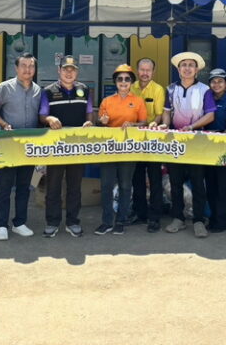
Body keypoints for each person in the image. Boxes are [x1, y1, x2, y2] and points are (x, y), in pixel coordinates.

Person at [39, 55, 94, 238]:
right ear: (59, 71)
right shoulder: (48, 91)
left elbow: (89, 112)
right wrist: (49, 118)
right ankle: (52, 222)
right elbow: (42, 115)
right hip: (56, 147)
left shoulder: (84, 89)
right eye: (65, 69)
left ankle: (73, 221)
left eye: (72, 70)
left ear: (77, 72)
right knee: (53, 186)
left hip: (77, 146)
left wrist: (89, 122)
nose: (69, 73)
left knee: (75, 186)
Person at [0, 52, 41, 241]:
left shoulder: (38, 91)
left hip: (28, 146)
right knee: (5, 186)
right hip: (8, 144)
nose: (28, 69)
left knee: (24, 186)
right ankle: (2, 224)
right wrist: (3, 124)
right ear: (16, 68)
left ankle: (19, 223)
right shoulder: (4, 88)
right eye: (23, 65)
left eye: (31, 66)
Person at [164, 51, 216, 238]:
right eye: (183, 65)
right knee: (175, 182)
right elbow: (167, 112)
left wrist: (192, 126)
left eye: (190, 65)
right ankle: (177, 218)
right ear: (178, 70)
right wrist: (164, 124)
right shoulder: (170, 89)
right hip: (175, 143)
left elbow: (210, 115)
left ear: (196, 70)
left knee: (198, 183)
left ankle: (199, 220)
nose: (187, 68)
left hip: (197, 143)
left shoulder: (205, 90)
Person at [96, 64, 148, 235]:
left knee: (126, 185)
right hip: (109, 149)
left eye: (127, 79)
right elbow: (99, 123)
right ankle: (106, 221)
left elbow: (144, 123)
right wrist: (102, 121)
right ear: (115, 82)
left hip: (128, 149)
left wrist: (133, 124)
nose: (123, 82)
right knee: (106, 185)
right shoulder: (107, 101)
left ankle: (121, 220)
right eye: (120, 79)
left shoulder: (138, 101)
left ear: (131, 82)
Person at [130, 57, 166, 232]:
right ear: (137, 70)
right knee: (136, 178)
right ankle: (140, 213)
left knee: (155, 179)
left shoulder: (158, 89)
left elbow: (159, 114)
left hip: (152, 140)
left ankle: (154, 217)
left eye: (148, 70)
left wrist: (154, 123)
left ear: (153, 72)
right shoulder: (130, 87)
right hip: (134, 140)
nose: (145, 73)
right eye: (142, 70)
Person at [203, 68, 226, 232]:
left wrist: (219, 143)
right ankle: (213, 218)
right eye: (213, 81)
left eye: (220, 81)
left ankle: (222, 222)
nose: (216, 84)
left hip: (224, 147)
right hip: (207, 148)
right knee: (211, 185)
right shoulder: (207, 98)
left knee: (223, 187)